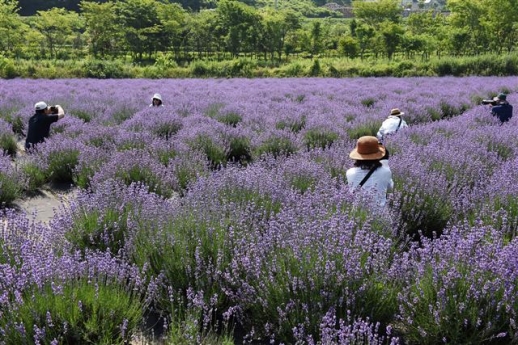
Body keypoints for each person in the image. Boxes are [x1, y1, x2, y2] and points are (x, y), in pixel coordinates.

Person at [346, 136, 394, 207]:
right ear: (378, 155)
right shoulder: (386, 171)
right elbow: (390, 188)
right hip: (380, 215)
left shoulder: (350, 172)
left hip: (357, 215)